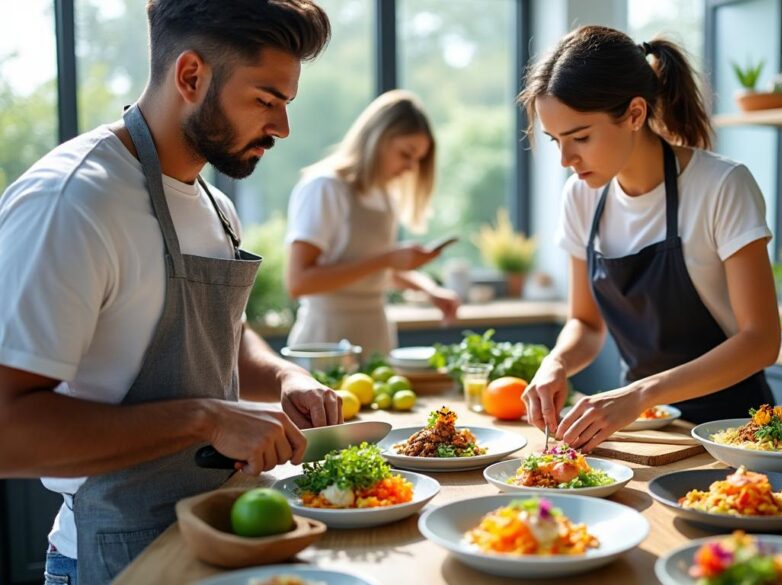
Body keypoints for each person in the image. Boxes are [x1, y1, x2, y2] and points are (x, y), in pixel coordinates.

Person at [0, 1, 336, 583]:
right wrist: (206, 419)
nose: (282, 128)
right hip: (110, 561)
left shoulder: (214, 204)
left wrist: (284, 377)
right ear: (190, 76)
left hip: (221, 538)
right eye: (266, 100)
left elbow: (214, 332)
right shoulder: (74, 203)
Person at [518, 26, 780, 452]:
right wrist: (556, 362)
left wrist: (640, 393)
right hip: (646, 434)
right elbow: (585, 324)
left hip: (737, 433)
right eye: (556, 141)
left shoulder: (722, 185)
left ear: (636, 114)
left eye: (580, 137)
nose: (567, 160)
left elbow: (761, 341)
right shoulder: (581, 198)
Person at [285, 89, 459, 356]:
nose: (411, 167)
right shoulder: (325, 188)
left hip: (376, 335)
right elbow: (299, 282)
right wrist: (387, 258)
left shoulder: (385, 196)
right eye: (406, 153)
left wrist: (430, 290)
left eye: (418, 159)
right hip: (326, 340)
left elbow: (369, 273)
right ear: (378, 139)